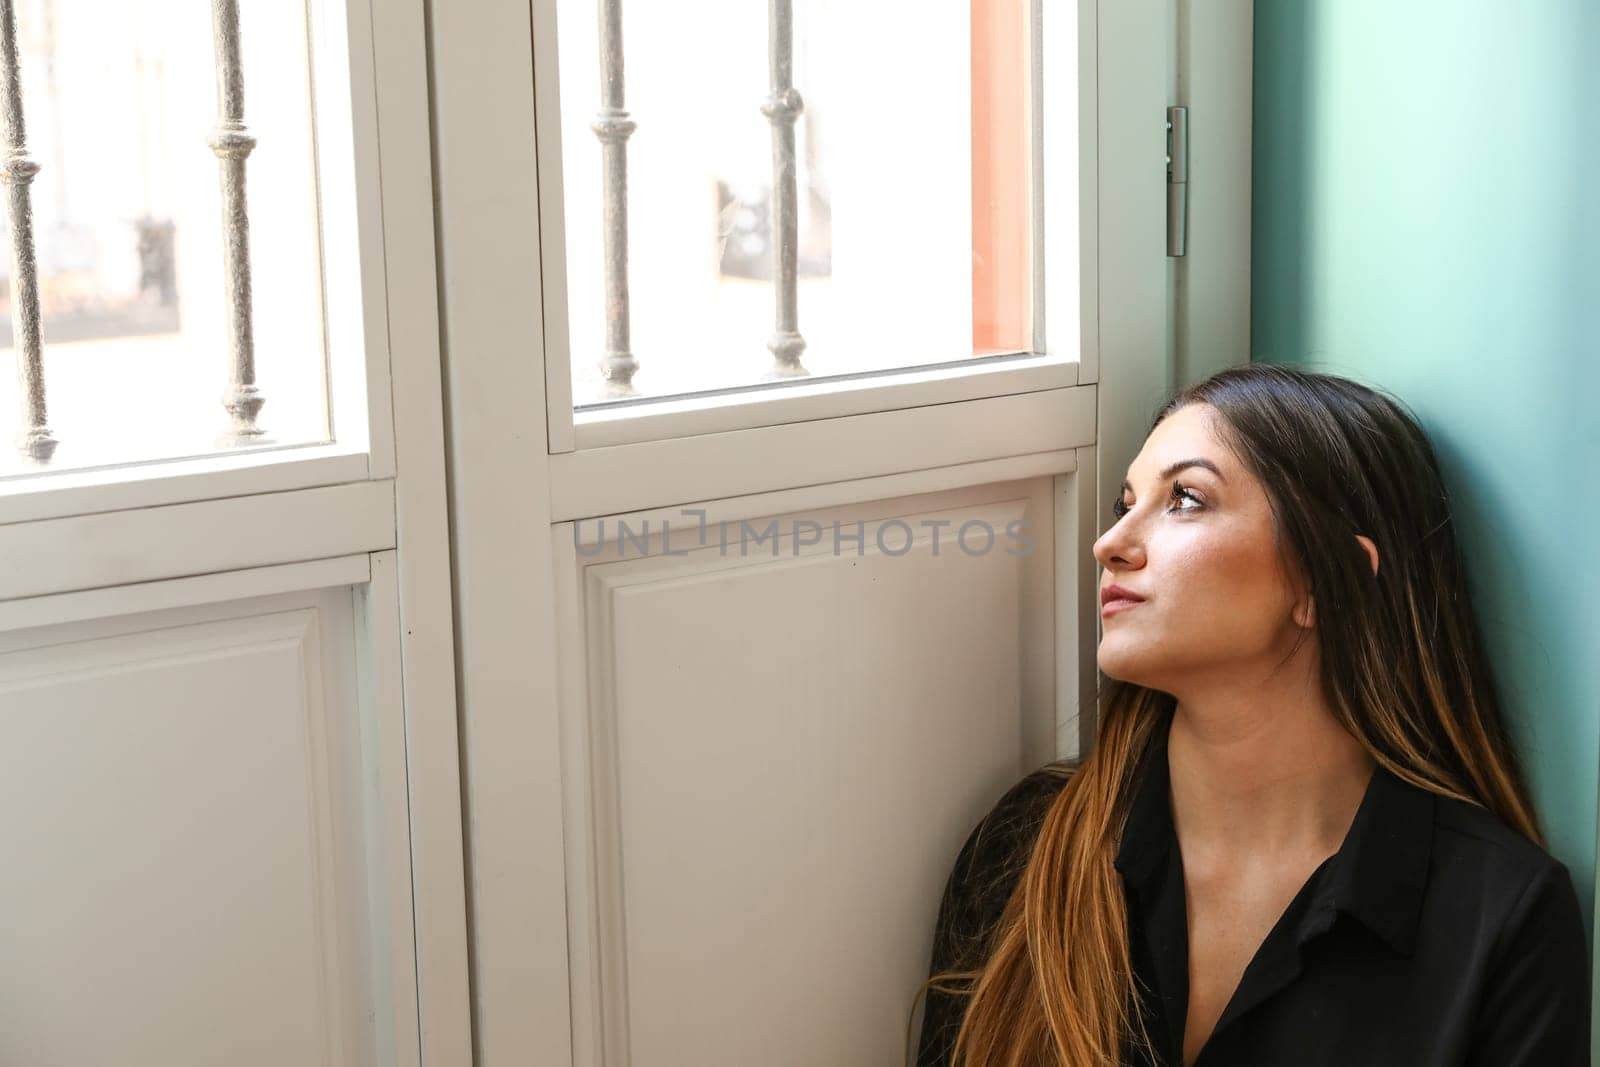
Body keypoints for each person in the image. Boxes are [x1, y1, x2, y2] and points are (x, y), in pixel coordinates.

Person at [908, 365, 1590, 1066]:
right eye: (1127, 500)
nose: (1110, 541)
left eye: (1185, 499)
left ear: (1329, 582)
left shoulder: (1502, 917)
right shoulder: (1028, 844)